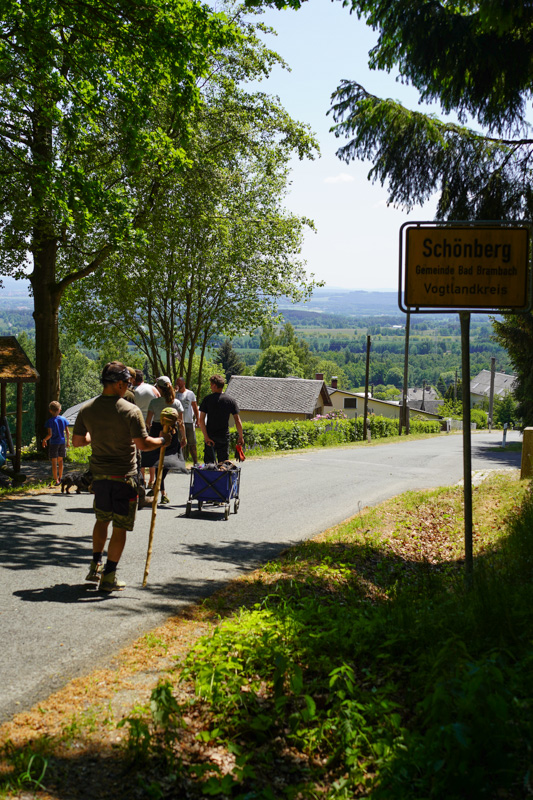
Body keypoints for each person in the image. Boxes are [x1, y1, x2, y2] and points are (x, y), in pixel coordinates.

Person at [71, 361, 172, 591]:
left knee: (101, 520)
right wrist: (164, 440)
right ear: (117, 384)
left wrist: (94, 437)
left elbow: (77, 441)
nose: (129, 387)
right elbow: (144, 444)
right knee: (119, 528)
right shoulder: (130, 411)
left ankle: (95, 565)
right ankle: (109, 577)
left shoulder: (87, 409)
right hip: (124, 478)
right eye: (127, 383)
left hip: (99, 479)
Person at [144, 376, 186, 504]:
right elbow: (181, 423)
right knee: (169, 459)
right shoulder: (177, 403)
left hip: (157, 431)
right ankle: (162, 491)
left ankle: (158, 486)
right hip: (172, 433)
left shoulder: (154, 402)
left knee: (157, 460)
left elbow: (147, 422)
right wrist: (183, 437)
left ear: (159, 388)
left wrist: (147, 434)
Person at [199, 374, 244, 464]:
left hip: (210, 436)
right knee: (223, 464)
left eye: (211, 385)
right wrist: (240, 436)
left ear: (215, 386)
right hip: (223, 436)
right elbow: (237, 420)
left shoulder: (207, 399)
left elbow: (201, 420)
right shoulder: (230, 400)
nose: (210, 387)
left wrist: (206, 437)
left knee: (209, 465)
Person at [133, 369, 160, 488]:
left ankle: (142, 479)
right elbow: (159, 400)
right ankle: (152, 480)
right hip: (152, 422)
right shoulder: (153, 389)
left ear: (134, 379)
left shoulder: (133, 391)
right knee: (151, 451)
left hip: (139, 423)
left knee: (140, 451)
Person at [42, 401, 70, 486]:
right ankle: (60, 478)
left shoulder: (50, 421)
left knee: (54, 462)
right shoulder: (64, 419)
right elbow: (68, 432)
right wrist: (68, 442)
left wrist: (44, 440)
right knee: (60, 461)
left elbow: (50, 434)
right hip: (62, 442)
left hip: (54, 443)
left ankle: (55, 479)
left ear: (50, 411)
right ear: (60, 410)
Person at [175, 376, 200, 465]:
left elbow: (195, 407)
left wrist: (197, 419)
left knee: (192, 443)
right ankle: (178, 463)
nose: (178, 384)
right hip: (177, 422)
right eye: (177, 382)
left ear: (184, 383)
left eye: (180, 382)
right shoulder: (174, 394)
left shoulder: (190, 393)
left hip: (188, 421)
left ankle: (195, 462)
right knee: (177, 443)